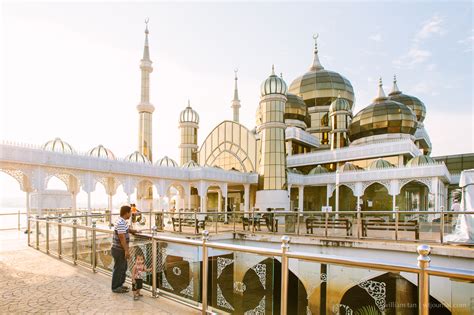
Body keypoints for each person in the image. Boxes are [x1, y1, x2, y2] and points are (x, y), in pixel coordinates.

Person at [111, 205, 137, 293]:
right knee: (119, 268)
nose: (131, 214)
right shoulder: (121, 223)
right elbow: (122, 238)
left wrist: (133, 231)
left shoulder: (121, 221)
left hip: (118, 249)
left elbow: (126, 229)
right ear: (126, 213)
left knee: (123, 267)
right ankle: (115, 287)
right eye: (130, 212)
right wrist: (126, 250)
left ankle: (120, 285)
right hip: (119, 249)